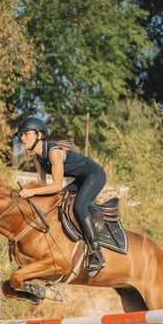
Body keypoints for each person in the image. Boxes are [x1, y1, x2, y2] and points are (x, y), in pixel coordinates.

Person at [15, 116, 106, 277]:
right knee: (58, 203)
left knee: (79, 206)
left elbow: (56, 186)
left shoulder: (53, 152)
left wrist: (31, 192)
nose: (22, 138)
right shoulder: (38, 159)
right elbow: (42, 186)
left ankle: (96, 252)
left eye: (26, 134)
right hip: (80, 180)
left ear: (39, 135)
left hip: (95, 175)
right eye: (20, 135)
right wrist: (27, 197)